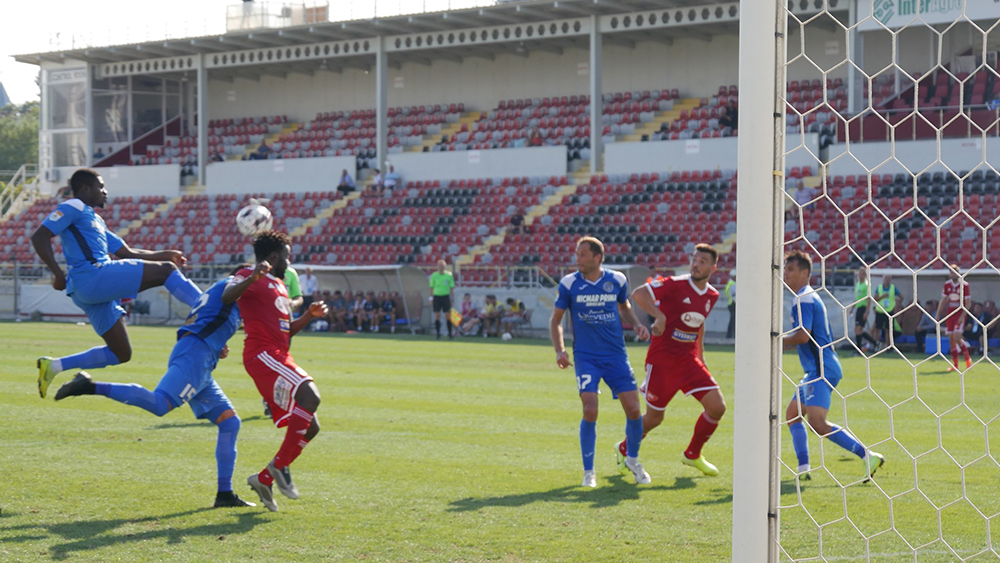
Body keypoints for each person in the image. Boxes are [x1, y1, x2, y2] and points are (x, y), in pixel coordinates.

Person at [52, 266, 256, 508]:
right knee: (159, 404)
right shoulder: (233, 284)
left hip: (200, 358)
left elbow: (204, 319)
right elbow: (228, 296)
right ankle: (89, 386)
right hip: (195, 358)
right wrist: (254, 277)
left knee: (230, 422)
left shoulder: (221, 294)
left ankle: (224, 494)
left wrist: (217, 343)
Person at [31, 168, 203, 398]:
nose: (105, 191)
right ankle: (206, 308)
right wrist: (57, 273)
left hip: (89, 290)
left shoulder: (95, 219)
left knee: (121, 353)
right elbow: (39, 236)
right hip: (92, 277)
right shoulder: (73, 206)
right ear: (85, 188)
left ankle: (53, 366)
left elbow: (126, 252)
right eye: (100, 187)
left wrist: (165, 254)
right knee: (168, 272)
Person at [224, 231, 329, 512]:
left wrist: (309, 315)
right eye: (286, 254)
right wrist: (253, 277)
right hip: (262, 354)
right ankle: (280, 466)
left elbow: (287, 330)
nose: (289, 259)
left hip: (280, 354)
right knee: (311, 395)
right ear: (273, 256)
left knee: (312, 426)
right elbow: (227, 295)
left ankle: (264, 478)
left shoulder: (281, 286)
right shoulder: (249, 274)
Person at [549, 236, 652, 488]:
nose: (578, 259)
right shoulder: (569, 283)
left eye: (583, 254)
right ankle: (589, 473)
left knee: (635, 410)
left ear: (597, 257)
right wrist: (560, 351)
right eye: (577, 254)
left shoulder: (616, 280)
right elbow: (555, 321)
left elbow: (624, 306)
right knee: (590, 408)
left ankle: (633, 461)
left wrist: (637, 323)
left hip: (616, 356)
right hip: (586, 357)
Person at [621, 243, 726, 476]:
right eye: (695, 260)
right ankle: (624, 449)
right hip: (663, 361)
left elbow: (698, 323)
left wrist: (701, 355)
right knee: (656, 418)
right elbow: (638, 293)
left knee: (717, 406)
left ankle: (692, 454)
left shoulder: (712, 294)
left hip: (689, 361)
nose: (696, 264)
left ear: (714, 267)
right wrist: (658, 316)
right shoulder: (675, 283)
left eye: (703, 261)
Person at [782, 250, 884, 482]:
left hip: (822, 368)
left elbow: (803, 336)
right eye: (785, 268)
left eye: (790, 269)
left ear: (805, 273)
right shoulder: (805, 296)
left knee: (818, 423)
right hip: (817, 368)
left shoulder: (804, 298)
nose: (785, 273)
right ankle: (803, 468)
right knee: (793, 414)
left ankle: (868, 455)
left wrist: (775, 341)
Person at [937, 266, 972, 371]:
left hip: (959, 314)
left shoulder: (964, 285)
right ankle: (955, 365)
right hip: (950, 314)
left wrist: (962, 316)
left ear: (958, 273)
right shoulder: (947, 284)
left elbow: (968, 304)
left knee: (957, 337)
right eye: (951, 272)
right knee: (951, 340)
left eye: (955, 272)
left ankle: (967, 360)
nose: (953, 274)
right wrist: (938, 314)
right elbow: (943, 300)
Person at [872, 274, 904, 348]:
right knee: (877, 329)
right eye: (885, 279)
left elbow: (901, 297)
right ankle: (875, 345)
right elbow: (875, 299)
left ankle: (888, 346)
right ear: (883, 280)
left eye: (888, 279)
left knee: (888, 330)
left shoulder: (893, 288)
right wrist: (882, 297)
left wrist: (897, 306)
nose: (887, 280)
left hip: (889, 311)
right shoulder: (879, 287)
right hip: (880, 310)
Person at [852, 268, 879, 353]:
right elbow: (857, 298)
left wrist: (867, 311)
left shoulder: (867, 285)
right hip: (858, 308)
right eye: (859, 273)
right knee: (857, 329)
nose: (860, 275)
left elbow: (869, 299)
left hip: (863, 309)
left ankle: (859, 349)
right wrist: (852, 308)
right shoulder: (858, 284)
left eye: (862, 273)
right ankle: (875, 343)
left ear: (865, 275)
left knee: (858, 329)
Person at [429, 259, 456, 340]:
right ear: (437, 266)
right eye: (440, 265)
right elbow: (431, 288)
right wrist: (431, 298)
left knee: (448, 315)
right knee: (437, 315)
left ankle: (450, 334)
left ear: (445, 266)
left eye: (443, 265)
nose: (441, 267)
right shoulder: (434, 275)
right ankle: (438, 334)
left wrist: (452, 299)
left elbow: (451, 288)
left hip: (445, 296)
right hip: (437, 296)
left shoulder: (449, 275)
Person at [724, 270, 736, 340]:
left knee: (732, 320)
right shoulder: (732, 284)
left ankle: (729, 335)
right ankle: (732, 335)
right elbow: (734, 295)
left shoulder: (730, 283)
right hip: (733, 303)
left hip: (731, 303)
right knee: (733, 321)